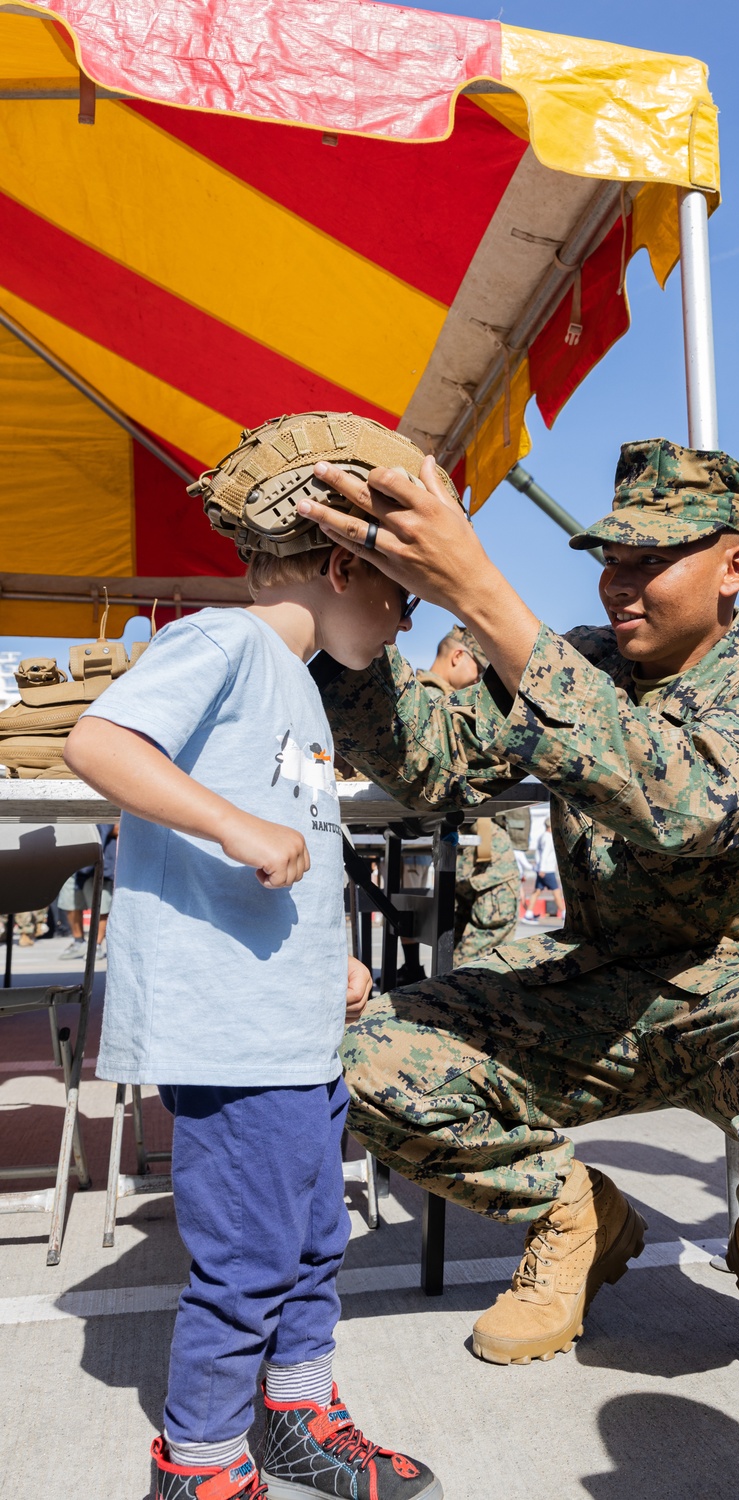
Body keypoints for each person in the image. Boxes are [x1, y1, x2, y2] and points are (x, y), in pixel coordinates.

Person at [301, 435, 739, 1421]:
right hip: (580, 987)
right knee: (354, 1059)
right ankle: (574, 1216)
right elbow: (431, 768)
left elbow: (676, 805)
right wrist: (347, 633)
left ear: (735, 566)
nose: (616, 585)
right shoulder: (573, 662)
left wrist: (485, 595)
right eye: (608, 560)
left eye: (646, 561)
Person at [64, 413, 442, 1500]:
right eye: (400, 593)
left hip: (293, 1025)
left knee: (314, 1239)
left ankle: (296, 1414)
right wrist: (233, 826)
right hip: (231, 1035)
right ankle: (201, 1462)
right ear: (340, 561)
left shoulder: (300, 688)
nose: (405, 618)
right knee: (249, 1263)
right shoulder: (223, 643)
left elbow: (299, 853)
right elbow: (101, 741)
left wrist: (329, 962)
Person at [397, 625, 522, 981]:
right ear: (458, 656)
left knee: (459, 924)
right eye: (479, 668)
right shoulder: (438, 699)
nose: (480, 679)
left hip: (459, 833)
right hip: (464, 832)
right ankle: (462, 988)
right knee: (497, 905)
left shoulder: (420, 695)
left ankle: (451, 986)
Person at [58, 822, 118, 959]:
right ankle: (78, 941)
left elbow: (117, 827)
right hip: (72, 856)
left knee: (101, 906)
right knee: (69, 902)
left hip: (101, 856)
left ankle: (95, 945)